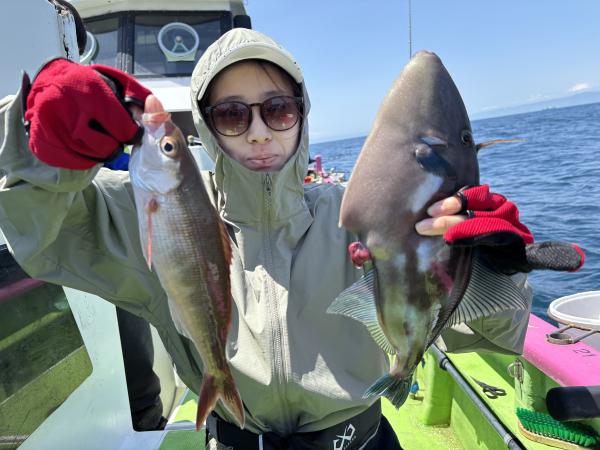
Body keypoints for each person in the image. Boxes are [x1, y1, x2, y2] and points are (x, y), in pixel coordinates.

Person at [0, 28, 582, 449]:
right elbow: (44, 231)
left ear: (302, 115)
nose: (258, 133)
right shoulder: (152, 210)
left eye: (277, 110)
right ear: (206, 126)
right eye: (232, 115)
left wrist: (494, 271)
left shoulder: (366, 221)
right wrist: (37, 137)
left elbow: (483, 337)